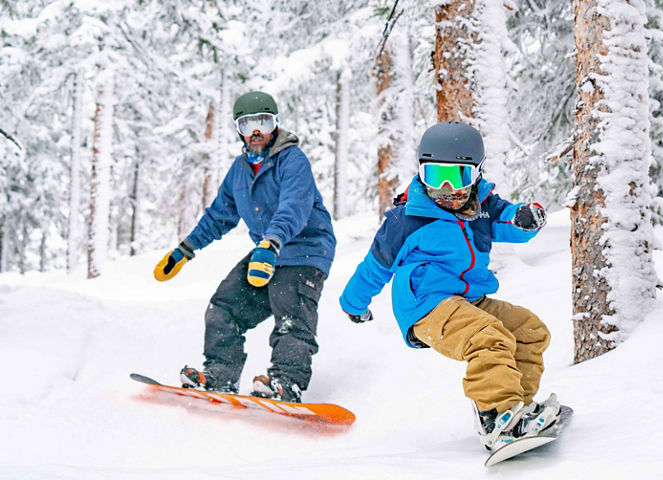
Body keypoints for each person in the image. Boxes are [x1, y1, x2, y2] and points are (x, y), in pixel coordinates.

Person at [339, 121, 559, 449]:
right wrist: (353, 305)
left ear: (476, 175)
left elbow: (510, 221)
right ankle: (496, 415)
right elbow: (375, 267)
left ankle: (516, 409)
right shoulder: (407, 219)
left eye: (457, 176)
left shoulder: (482, 208)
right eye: (433, 176)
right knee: (489, 337)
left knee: (529, 330)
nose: (445, 188)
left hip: (467, 299)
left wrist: (528, 218)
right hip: (425, 305)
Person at [153, 91, 336, 403]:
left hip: (304, 250)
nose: (256, 131)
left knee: (290, 312)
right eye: (247, 123)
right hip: (268, 253)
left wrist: (272, 242)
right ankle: (220, 376)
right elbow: (218, 216)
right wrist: (185, 249)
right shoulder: (240, 170)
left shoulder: (293, 160)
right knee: (224, 307)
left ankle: (286, 383)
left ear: (275, 125)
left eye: (263, 122)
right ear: (238, 128)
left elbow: (293, 206)